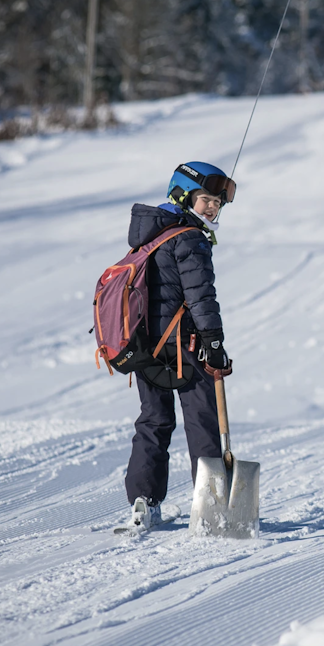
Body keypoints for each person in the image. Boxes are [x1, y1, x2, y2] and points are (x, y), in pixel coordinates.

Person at [121, 161, 236, 531]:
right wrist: (213, 342)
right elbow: (201, 297)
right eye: (206, 200)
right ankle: (212, 509)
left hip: (145, 345)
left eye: (217, 203)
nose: (213, 208)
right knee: (202, 421)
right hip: (184, 346)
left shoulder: (150, 232)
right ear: (182, 195)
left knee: (154, 420)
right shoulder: (190, 237)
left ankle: (144, 503)